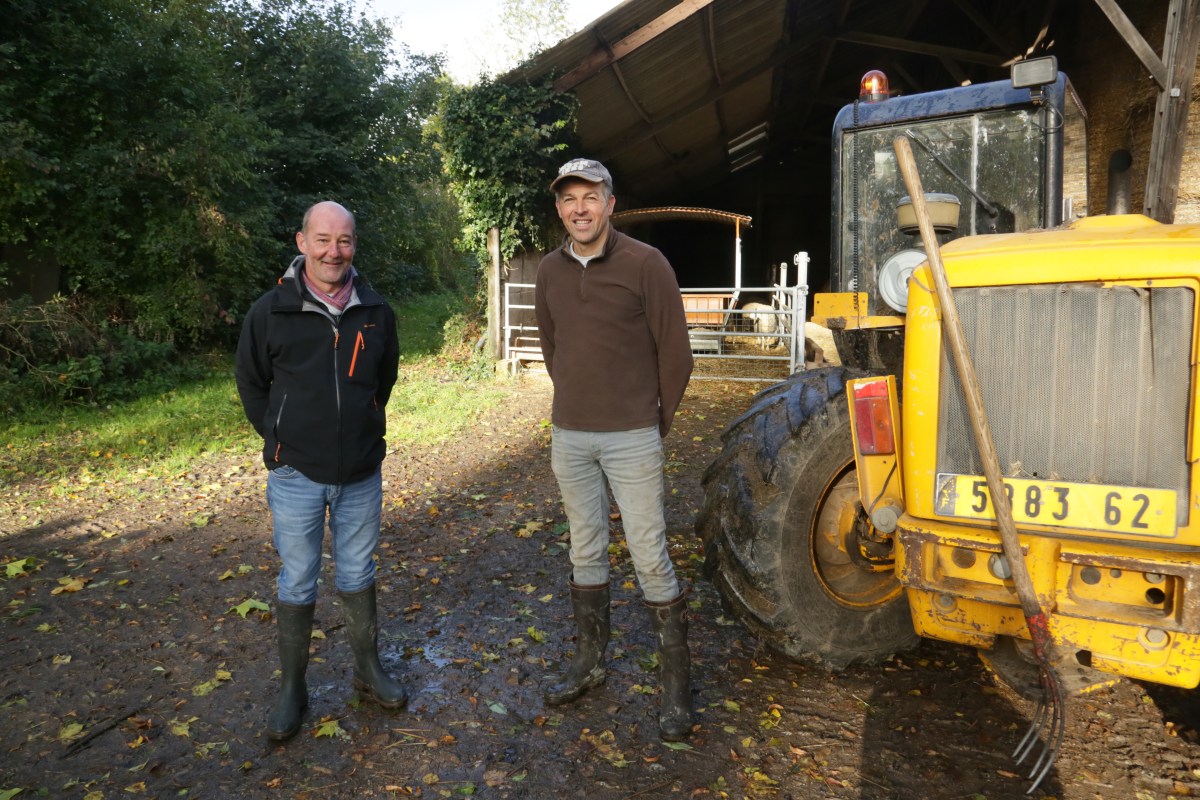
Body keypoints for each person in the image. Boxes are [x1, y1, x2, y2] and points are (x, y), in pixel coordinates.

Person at [534, 158, 696, 740]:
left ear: (610, 203)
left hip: (632, 435)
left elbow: (675, 353)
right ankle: (589, 662)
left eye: (590, 196)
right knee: (585, 548)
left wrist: (654, 422)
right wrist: (579, 401)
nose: (580, 208)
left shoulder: (645, 264)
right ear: (559, 208)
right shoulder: (550, 272)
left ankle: (676, 685)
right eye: (569, 198)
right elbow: (553, 348)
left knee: (649, 552)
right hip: (571, 434)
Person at [235, 200, 405, 742]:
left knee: (357, 572)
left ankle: (368, 668)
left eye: (345, 241)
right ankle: (293, 687)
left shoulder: (376, 311)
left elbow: (385, 379)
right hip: (296, 475)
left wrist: (362, 428)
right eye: (324, 239)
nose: (335, 251)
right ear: (302, 242)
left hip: (360, 471)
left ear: (354, 245)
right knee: (298, 577)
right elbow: (251, 383)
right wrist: (280, 440)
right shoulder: (270, 311)